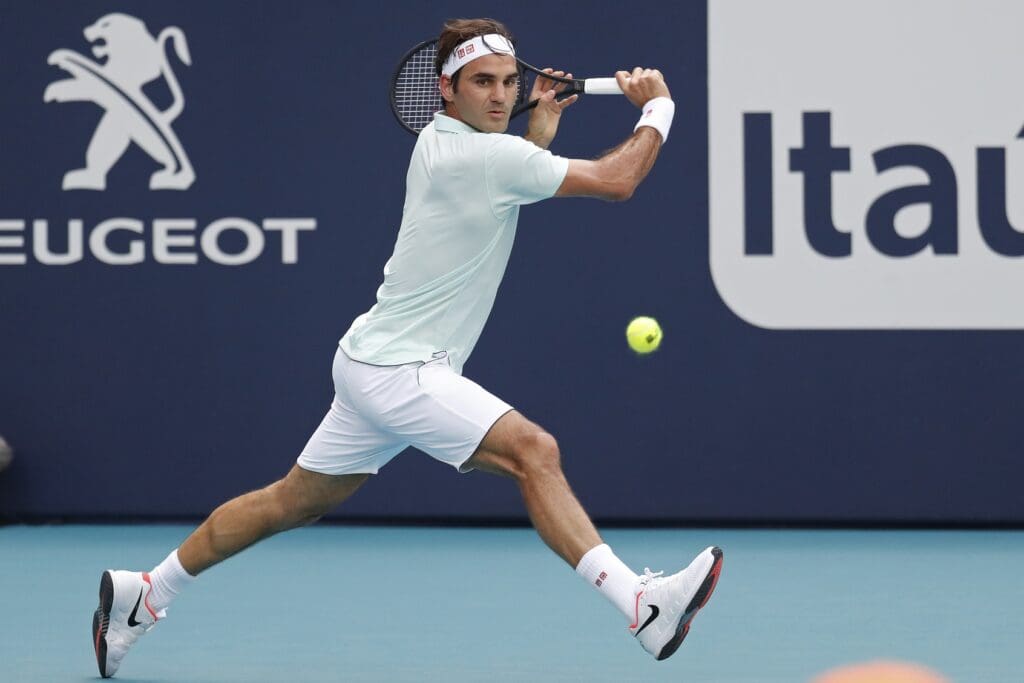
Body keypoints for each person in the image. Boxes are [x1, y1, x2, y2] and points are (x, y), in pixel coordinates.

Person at [92, 18, 723, 678]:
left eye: (510, 82)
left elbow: (512, 176)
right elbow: (617, 180)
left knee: (288, 501)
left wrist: (539, 126)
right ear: (445, 90)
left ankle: (145, 591)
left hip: (370, 360)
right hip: (400, 369)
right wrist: (658, 105)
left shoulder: (448, 143)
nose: (501, 96)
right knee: (534, 451)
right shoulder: (486, 158)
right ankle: (642, 604)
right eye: (483, 83)